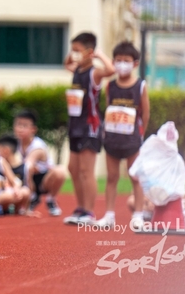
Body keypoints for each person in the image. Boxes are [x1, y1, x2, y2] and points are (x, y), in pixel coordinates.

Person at [95, 41, 150, 228]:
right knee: (111, 177)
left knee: (135, 176)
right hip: (112, 137)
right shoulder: (110, 86)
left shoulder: (141, 86)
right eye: (118, 60)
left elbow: (145, 112)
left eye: (126, 60)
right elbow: (108, 106)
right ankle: (109, 215)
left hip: (132, 138)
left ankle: (138, 215)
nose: (121, 64)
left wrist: (140, 133)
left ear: (135, 63)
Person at [63, 32, 114, 225]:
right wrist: (73, 54)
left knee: (86, 170)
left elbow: (111, 70)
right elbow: (66, 64)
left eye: (78, 50)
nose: (74, 54)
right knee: (73, 168)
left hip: (89, 125)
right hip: (74, 124)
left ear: (89, 52)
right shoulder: (77, 70)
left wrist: (99, 55)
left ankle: (90, 212)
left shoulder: (95, 72)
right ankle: (80, 208)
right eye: (73, 50)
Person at [13, 110, 66, 216]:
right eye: (18, 125)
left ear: (33, 129)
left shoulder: (37, 146)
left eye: (24, 126)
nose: (20, 129)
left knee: (60, 171)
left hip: (43, 180)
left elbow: (28, 165)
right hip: (25, 178)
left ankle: (49, 199)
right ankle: (23, 200)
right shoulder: (13, 144)